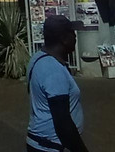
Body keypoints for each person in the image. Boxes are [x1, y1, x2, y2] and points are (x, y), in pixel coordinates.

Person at [26, 15, 89, 152]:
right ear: (64, 39)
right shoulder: (53, 70)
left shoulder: (38, 58)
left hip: (38, 142)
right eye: (72, 33)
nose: (75, 37)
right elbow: (63, 122)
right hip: (51, 146)